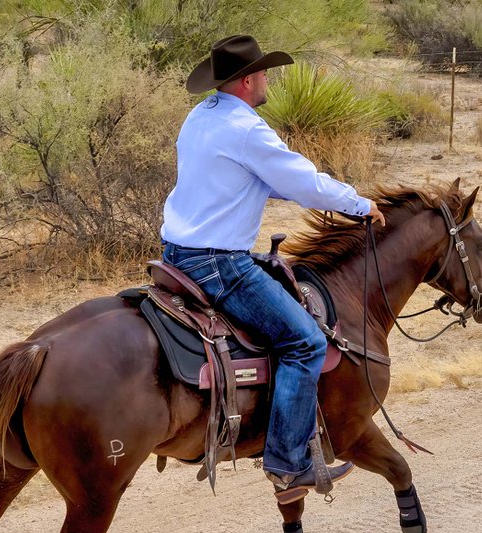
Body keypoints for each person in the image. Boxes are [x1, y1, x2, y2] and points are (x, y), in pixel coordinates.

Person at [161, 34, 386, 501]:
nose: (268, 79)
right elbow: (303, 182)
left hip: (175, 255)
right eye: (264, 72)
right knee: (304, 341)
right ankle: (288, 462)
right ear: (247, 81)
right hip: (219, 264)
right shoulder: (247, 128)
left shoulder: (199, 117)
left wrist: (298, 188)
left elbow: (252, 180)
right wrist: (358, 204)